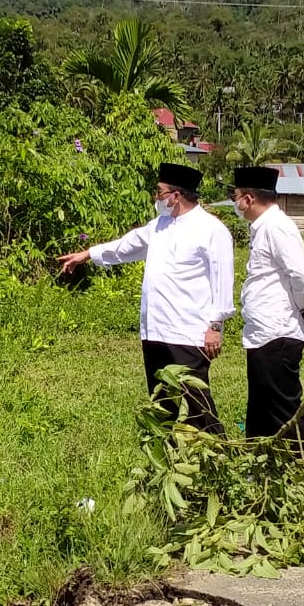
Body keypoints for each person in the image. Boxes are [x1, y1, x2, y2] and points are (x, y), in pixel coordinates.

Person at [57, 162, 234, 433]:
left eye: (160, 192)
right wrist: (88, 254)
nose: (156, 198)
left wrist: (216, 325)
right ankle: (171, 460)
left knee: (195, 403)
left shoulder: (211, 229)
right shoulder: (160, 225)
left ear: (176, 196)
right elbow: (126, 246)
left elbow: (223, 280)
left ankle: (216, 458)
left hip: (189, 332)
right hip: (155, 330)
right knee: (162, 401)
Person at [232, 166, 304, 445]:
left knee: (283, 407)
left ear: (248, 199)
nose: (236, 204)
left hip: (278, 331)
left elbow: (302, 276)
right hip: (264, 332)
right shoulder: (263, 227)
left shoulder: (277, 227)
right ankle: (259, 460)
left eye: (236, 197)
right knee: (261, 404)